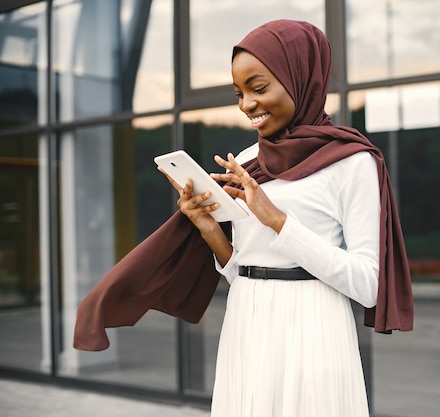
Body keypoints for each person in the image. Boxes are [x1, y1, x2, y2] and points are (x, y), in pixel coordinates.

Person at [73, 18, 412, 417]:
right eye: (239, 93)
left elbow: (369, 285)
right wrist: (210, 231)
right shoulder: (249, 160)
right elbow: (242, 269)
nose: (247, 104)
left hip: (313, 327)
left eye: (259, 87)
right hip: (246, 319)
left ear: (301, 77)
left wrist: (278, 220)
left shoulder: (352, 162)